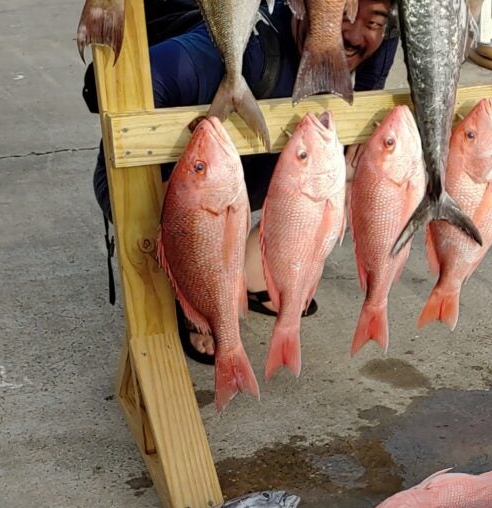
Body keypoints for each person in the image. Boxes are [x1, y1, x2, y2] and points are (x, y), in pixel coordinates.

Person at [90, 0, 399, 363]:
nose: (354, 33)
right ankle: (196, 298)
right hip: (158, 187)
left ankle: (254, 279)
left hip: (242, 175)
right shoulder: (249, 49)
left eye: (374, 23)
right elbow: (141, 79)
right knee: (201, 219)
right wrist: (185, 161)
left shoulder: (369, 43)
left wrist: (359, 131)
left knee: (353, 162)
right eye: (342, 15)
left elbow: (379, 53)